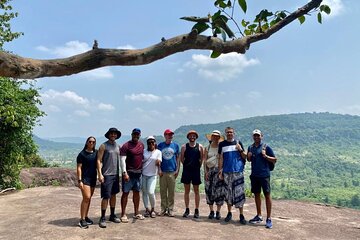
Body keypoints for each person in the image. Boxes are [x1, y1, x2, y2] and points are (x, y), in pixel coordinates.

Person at [247, 129, 277, 229]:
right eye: (255, 135)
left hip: (264, 175)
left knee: (267, 195)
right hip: (255, 175)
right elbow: (248, 159)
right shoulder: (250, 147)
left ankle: (269, 218)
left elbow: (275, 159)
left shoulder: (266, 147)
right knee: (257, 195)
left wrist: (265, 155)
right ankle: (259, 215)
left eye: (258, 135)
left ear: (261, 136)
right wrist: (249, 156)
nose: (256, 137)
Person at [218, 127, 247, 224]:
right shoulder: (222, 144)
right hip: (226, 172)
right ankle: (229, 213)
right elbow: (221, 158)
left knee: (239, 193)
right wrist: (220, 171)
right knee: (228, 193)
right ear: (225, 133)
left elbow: (244, 156)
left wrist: (240, 149)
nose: (229, 134)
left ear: (234, 133)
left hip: (238, 171)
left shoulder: (238, 142)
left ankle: (241, 215)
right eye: (228, 132)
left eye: (231, 132)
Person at [97, 128, 122, 228]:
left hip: (115, 174)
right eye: (111, 133)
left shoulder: (118, 146)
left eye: (114, 133)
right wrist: (100, 174)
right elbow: (98, 160)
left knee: (113, 195)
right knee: (106, 196)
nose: (113, 135)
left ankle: (112, 215)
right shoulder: (104, 146)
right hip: (106, 174)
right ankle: (102, 217)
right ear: (108, 135)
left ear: (116, 135)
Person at [120, 128, 145, 222]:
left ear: (139, 135)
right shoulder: (126, 146)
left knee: (137, 193)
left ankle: (136, 212)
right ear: (131, 134)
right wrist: (124, 173)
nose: (136, 136)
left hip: (138, 174)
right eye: (134, 134)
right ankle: (123, 214)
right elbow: (122, 160)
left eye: (137, 134)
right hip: (129, 173)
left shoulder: (141, 145)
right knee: (125, 193)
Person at [180, 130, 204, 218]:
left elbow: (202, 158)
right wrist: (187, 166)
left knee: (196, 191)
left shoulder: (200, 147)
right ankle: (187, 209)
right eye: (190, 136)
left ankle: (197, 210)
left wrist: (197, 166)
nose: (192, 137)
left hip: (196, 171)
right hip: (187, 171)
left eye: (194, 136)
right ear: (188, 137)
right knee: (186, 191)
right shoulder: (184, 147)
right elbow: (182, 159)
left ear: (196, 137)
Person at [157, 129, 180, 217]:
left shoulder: (175, 145)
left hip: (172, 171)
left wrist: (177, 169)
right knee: (163, 191)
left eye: (171, 135)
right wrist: (159, 169)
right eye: (168, 135)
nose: (170, 136)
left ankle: (170, 209)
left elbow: (178, 158)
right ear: (165, 135)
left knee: (171, 192)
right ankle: (163, 209)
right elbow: (158, 158)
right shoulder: (160, 145)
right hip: (162, 171)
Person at [76, 136, 98, 229]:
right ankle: (82, 220)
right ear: (86, 142)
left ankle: (86, 216)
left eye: (93, 142)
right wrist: (79, 180)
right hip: (85, 179)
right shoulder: (82, 154)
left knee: (89, 199)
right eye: (90, 141)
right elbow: (79, 168)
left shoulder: (96, 153)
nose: (91, 143)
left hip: (93, 178)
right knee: (86, 197)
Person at [204, 130, 225, 220]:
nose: (215, 137)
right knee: (209, 191)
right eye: (214, 136)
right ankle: (211, 211)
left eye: (217, 136)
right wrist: (205, 172)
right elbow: (205, 161)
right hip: (209, 171)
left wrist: (221, 170)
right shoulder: (207, 148)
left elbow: (223, 159)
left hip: (218, 171)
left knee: (219, 191)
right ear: (211, 137)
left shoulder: (221, 148)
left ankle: (218, 211)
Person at [142, 136, 162, 218]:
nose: (151, 144)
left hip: (153, 175)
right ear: (147, 144)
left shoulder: (158, 152)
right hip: (143, 174)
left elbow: (159, 161)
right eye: (149, 142)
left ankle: (153, 209)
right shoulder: (143, 151)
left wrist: (158, 162)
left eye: (152, 142)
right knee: (144, 192)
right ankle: (147, 209)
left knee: (150, 192)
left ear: (155, 143)